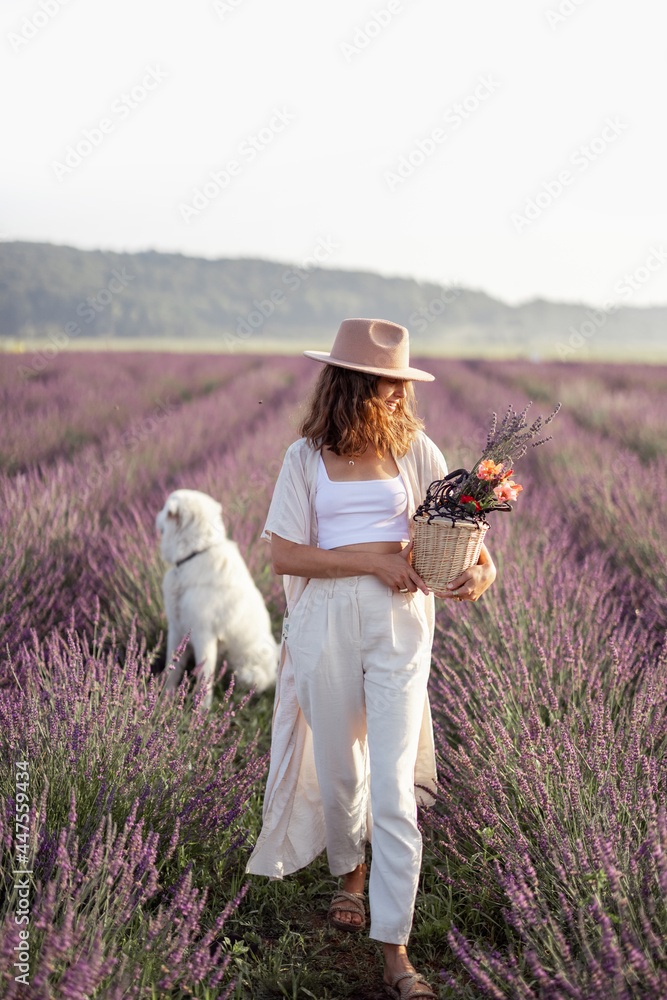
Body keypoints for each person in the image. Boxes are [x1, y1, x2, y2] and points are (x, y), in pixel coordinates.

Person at [246, 318, 496, 999]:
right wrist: (368, 560)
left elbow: (465, 533)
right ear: (350, 386)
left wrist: (481, 570)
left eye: (401, 386)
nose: (397, 397)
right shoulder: (305, 458)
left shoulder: (415, 449)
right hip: (323, 622)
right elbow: (283, 556)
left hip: (399, 625)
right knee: (339, 771)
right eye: (386, 386)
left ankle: (395, 948)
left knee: (389, 785)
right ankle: (347, 870)